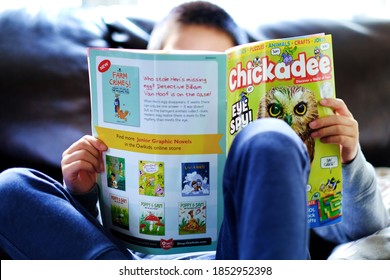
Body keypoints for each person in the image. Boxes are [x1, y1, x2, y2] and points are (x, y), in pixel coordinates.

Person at [0, 1, 388, 260]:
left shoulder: (268, 151)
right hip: (130, 262)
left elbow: (363, 233)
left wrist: (349, 162)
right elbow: (86, 232)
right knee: (12, 185)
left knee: (271, 137)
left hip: (240, 258)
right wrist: (81, 194)